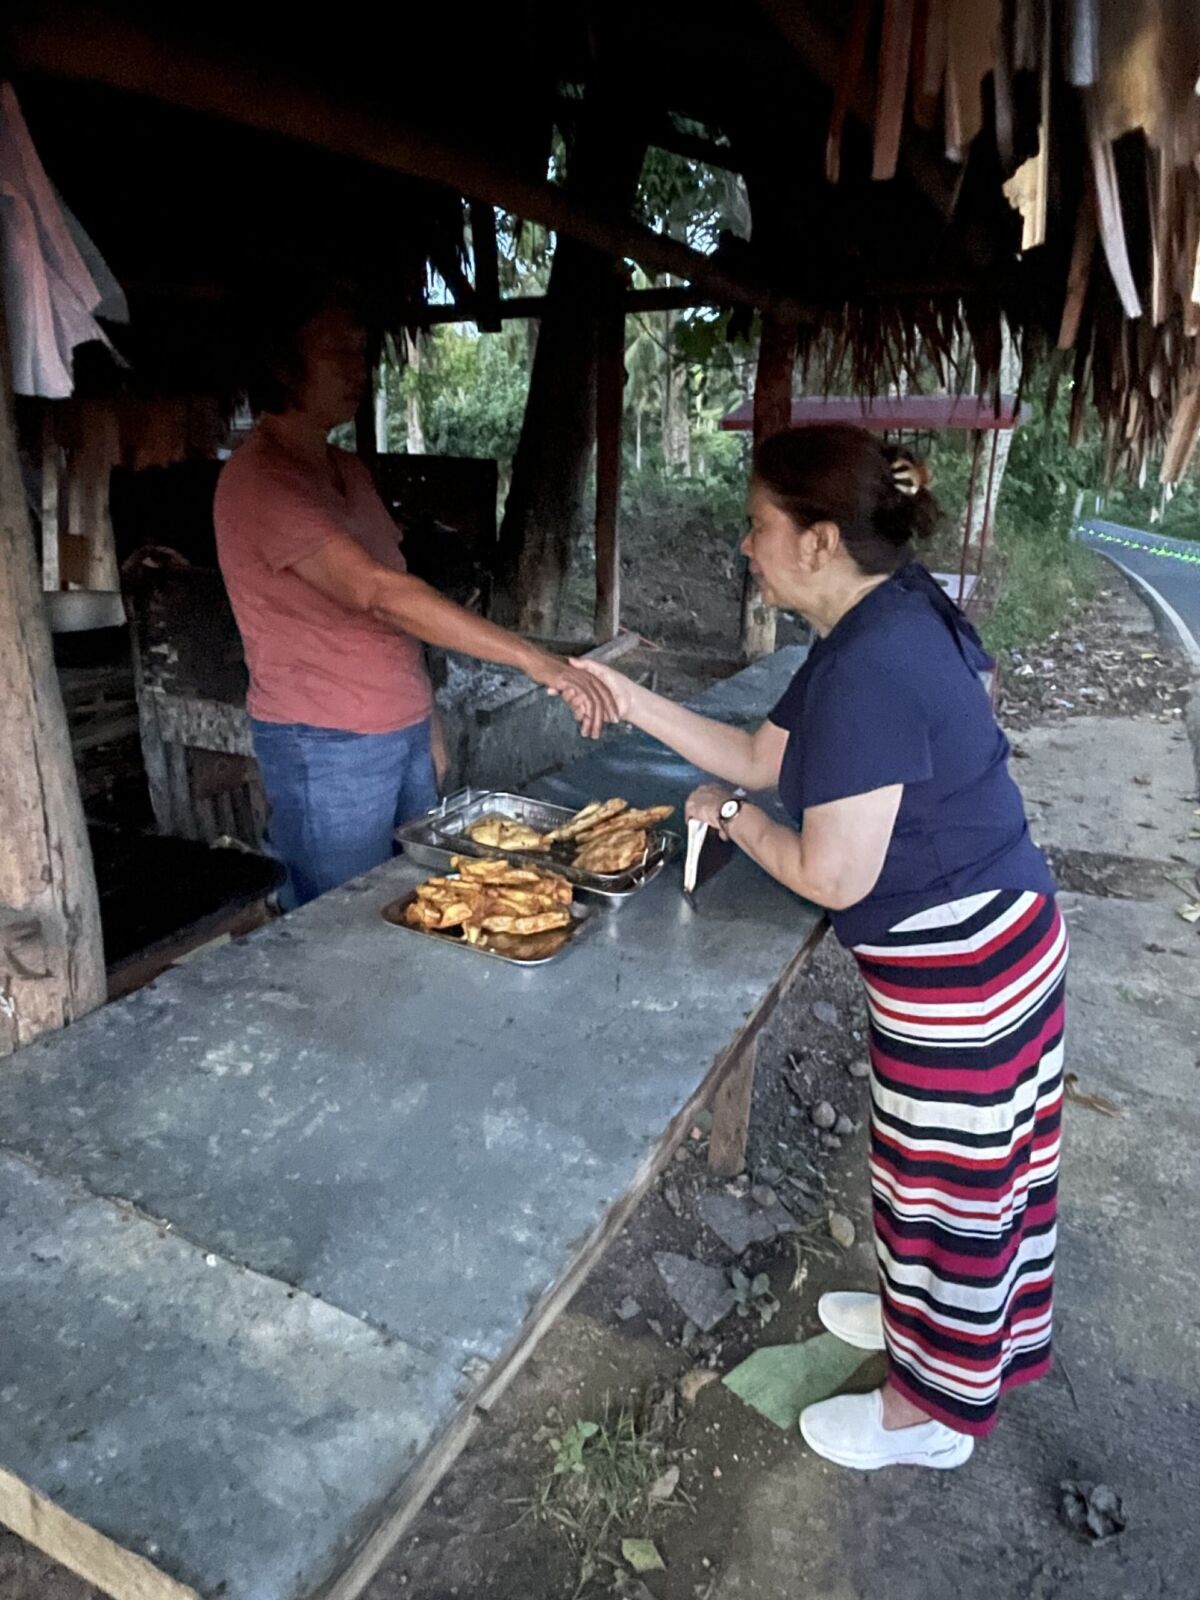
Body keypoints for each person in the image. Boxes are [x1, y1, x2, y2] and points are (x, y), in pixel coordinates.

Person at [574, 425, 1064, 1471]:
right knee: (938, 1172)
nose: (746, 546)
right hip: (984, 939)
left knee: (958, 1191)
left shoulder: (873, 662)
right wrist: (630, 699)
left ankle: (932, 1417)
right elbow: (762, 749)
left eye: (760, 527)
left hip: (963, 963)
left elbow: (833, 872)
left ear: (819, 539)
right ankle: (919, 1330)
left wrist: (734, 817)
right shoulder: (871, 621)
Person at [215, 293, 616, 909]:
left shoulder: (347, 470)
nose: (360, 367)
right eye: (337, 352)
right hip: (325, 745)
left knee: (416, 900)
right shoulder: (260, 481)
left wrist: (422, 712)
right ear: (283, 366)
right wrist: (535, 659)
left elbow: (394, 600)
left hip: (397, 730)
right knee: (337, 922)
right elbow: (377, 593)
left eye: (362, 351)